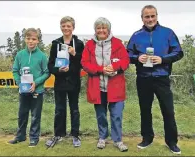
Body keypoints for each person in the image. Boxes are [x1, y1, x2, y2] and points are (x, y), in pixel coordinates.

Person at [127, 5, 184, 154]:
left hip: (162, 77)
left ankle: (171, 142)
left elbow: (178, 52)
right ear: (142, 18)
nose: (150, 19)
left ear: (157, 16)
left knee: (168, 111)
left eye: (152, 16)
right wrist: (137, 58)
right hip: (143, 78)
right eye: (147, 16)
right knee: (145, 110)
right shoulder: (136, 35)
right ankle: (147, 138)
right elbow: (127, 55)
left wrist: (162, 59)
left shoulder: (168, 33)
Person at [81, 17, 129, 152]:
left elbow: (125, 61)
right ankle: (102, 137)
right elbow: (85, 63)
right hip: (97, 87)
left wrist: (114, 66)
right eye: (98, 28)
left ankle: (118, 140)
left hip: (115, 86)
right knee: (101, 114)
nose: (101, 30)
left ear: (108, 29)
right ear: (95, 30)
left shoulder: (118, 43)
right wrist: (101, 69)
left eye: (104, 28)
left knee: (117, 115)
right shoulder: (89, 45)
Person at [8, 28, 50, 147]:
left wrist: (36, 83)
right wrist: (19, 81)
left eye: (33, 39)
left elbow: (47, 73)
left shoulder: (42, 56)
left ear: (37, 40)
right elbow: (15, 70)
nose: (31, 41)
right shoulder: (20, 55)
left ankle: (34, 137)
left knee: (35, 115)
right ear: (25, 39)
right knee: (22, 114)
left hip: (37, 91)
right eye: (28, 38)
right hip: (23, 91)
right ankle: (20, 136)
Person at [46, 16, 84, 147]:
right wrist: (58, 70)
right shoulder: (55, 43)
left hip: (74, 82)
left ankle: (75, 135)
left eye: (68, 26)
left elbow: (83, 63)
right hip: (60, 82)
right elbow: (50, 65)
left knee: (74, 109)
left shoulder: (79, 44)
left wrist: (74, 54)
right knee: (59, 109)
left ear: (73, 27)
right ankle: (58, 134)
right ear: (60, 27)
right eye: (63, 26)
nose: (66, 28)